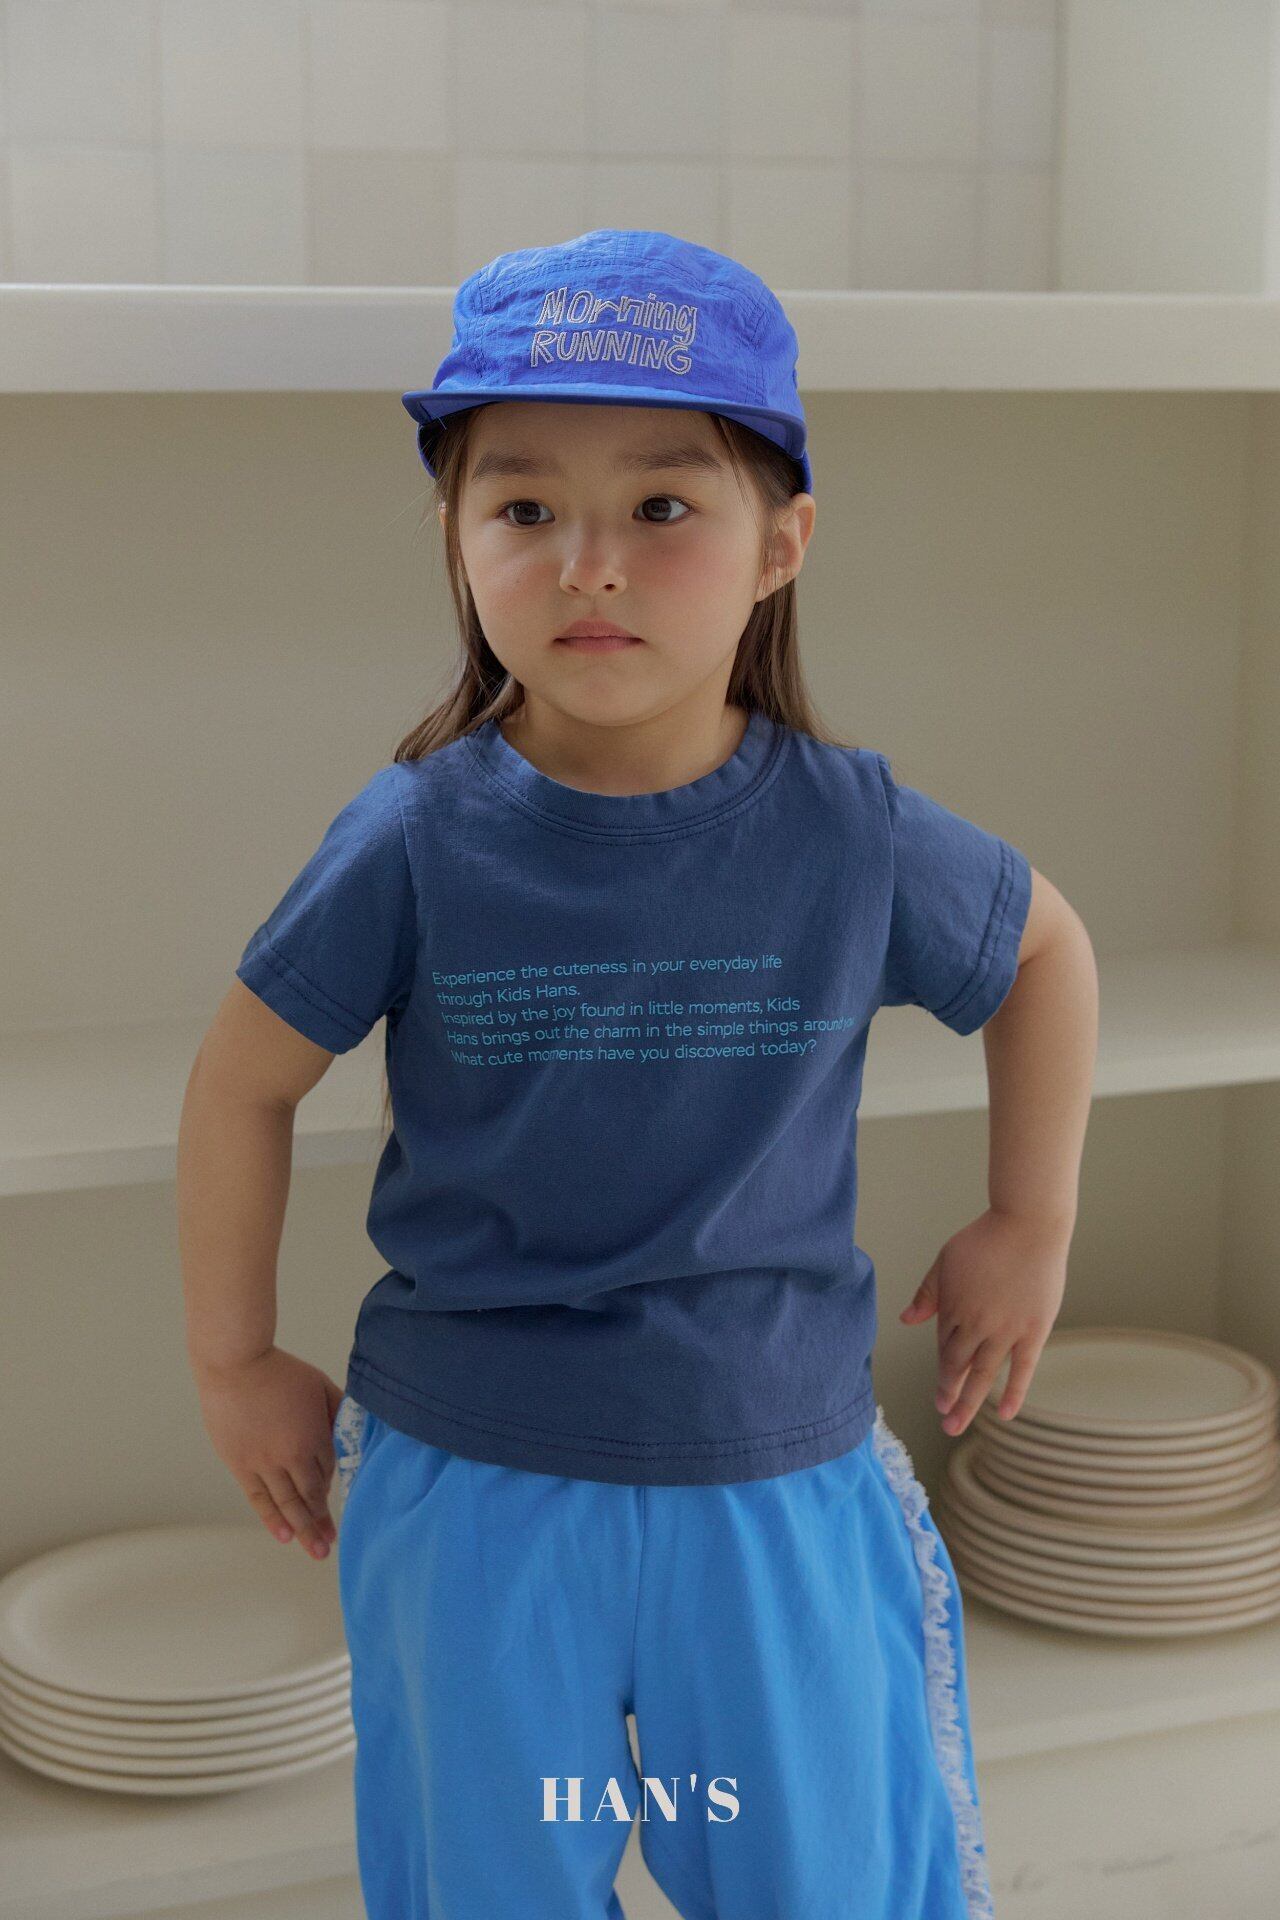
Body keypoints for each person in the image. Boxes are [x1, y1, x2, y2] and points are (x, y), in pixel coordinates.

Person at [177, 229, 1098, 1920]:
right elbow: (241, 1082)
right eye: (525, 508)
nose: (589, 564)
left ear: (781, 544)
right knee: (485, 1886)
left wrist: (1027, 1223)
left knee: (826, 1883)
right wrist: (233, 1360)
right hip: (474, 1500)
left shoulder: (852, 833)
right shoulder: (413, 839)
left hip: (772, 1488)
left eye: (663, 506)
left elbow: (1044, 954)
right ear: (458, 542)